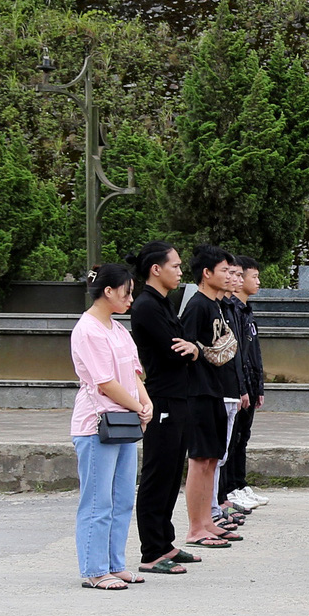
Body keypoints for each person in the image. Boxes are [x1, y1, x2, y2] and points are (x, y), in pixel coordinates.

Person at [72, 264, 150, 589]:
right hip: (96, 425)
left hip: (124, 423)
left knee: (122, 499)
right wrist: (139, 407)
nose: (130, 298)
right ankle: (94, 570)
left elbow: (133, 374)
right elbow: (104, 382)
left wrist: (146, 403)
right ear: (108, 291)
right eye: (126, 292)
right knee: (97, 501)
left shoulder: (118, 329)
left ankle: (114, 564)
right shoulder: (88, 330)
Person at [128, 242, 201, 574]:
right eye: (175, 265)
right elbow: (175, 351)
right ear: (155, 269)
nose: (180, 271)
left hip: (179, 396)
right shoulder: (146, 306)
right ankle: (151, 551)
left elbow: (188, 344)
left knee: (173, 474)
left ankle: (165, 542)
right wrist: (191, 349)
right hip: (162, 399)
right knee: (158, 474)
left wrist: (193, 348)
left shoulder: (164, 304)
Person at [179, 245, 245, 551]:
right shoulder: (197, 306)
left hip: (216, 390)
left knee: (211, 459)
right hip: (199, 391)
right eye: (223, 270)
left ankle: (208, 521)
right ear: (206, 274)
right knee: (199, 459)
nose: (230, 276)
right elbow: (187, 347)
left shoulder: (216, 305)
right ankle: (195, 527)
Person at [220, 257, 267, 513]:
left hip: (248, 383)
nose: (255, 282)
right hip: (237, 386)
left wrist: (258, 386)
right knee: (232, 440)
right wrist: (242, 388)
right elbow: (235, 354)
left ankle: (239, 484)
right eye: (253, 277)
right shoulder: (231, 311)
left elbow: (253, 354)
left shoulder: (246, 312)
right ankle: (229, 489)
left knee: (242, 437)